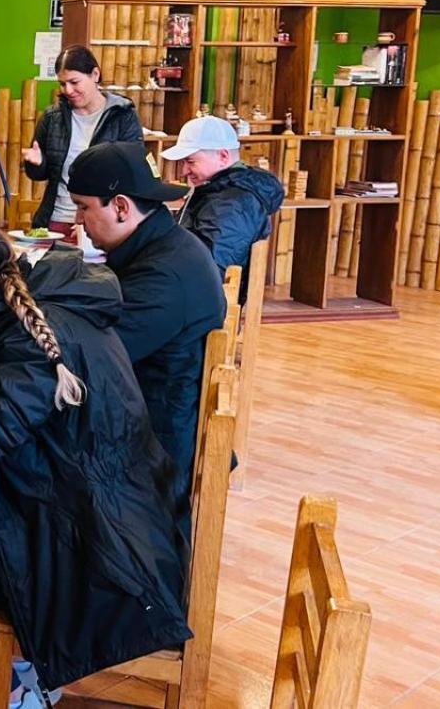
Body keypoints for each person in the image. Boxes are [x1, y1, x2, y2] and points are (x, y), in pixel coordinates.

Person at [0, 219, 190, 698]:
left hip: (99, 545)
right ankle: (13, 673)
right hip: (104, 506)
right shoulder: (22, 313)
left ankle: (16, 685)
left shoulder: (24, 338)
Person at [69, 141, 226, 521]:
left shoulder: (164, 275)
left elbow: (88, 359)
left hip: (151, 457)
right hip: (153, 420)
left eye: (84, 207)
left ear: (121, 207)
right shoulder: (164, 247)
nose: (79, 220)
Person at [22, 45, 145, 234]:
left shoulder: (122, 115)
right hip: (57, 219)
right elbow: (40, 174)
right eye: (63, 84)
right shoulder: (52, 117)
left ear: (95, 74)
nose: (68, 90)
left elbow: (133, 170)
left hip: (103, 222)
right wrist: (36, 163)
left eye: (74, 82)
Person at [162, 115, 285, 292]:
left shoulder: (232, 204)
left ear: (223, 156)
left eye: (190, 161)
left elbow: (210, 270)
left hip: (200, 305)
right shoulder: (220, 193)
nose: (183, 171)